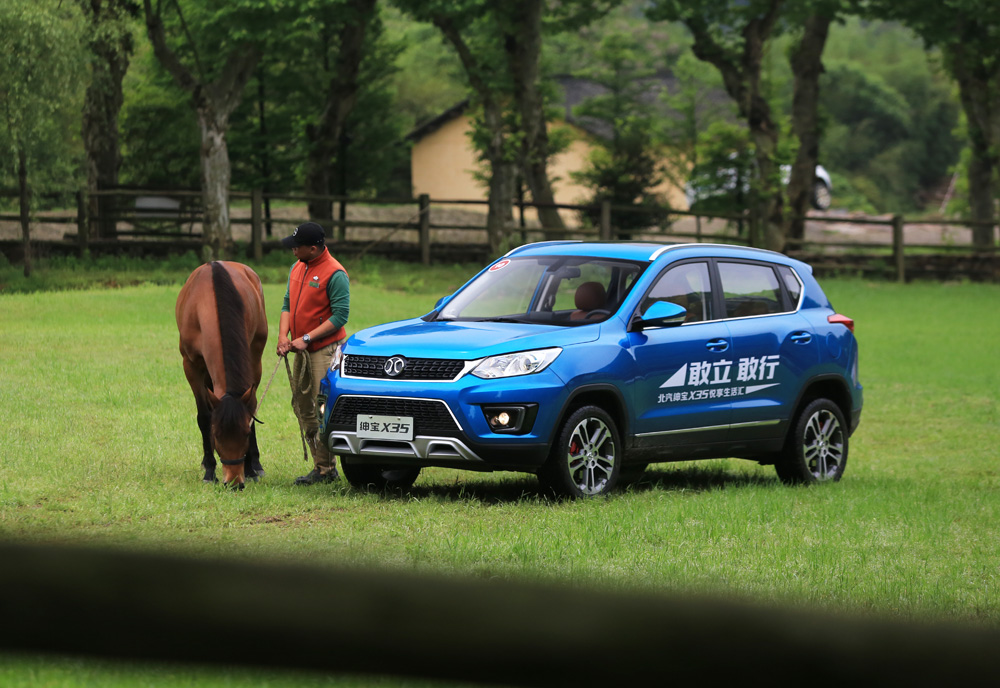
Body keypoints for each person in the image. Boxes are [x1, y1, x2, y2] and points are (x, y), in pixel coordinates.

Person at [276, 221, 350, 485]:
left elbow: (341, 316)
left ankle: (326, 469)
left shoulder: (335, 273)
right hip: (301, 349)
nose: (293, 250)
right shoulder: (298, 267)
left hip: (322, 350)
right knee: (302, 404)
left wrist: (307, 337)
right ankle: (322, 464)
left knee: (321, 406)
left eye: (297, 246)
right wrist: (283, 336)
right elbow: (287, 303)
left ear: (314, 248)